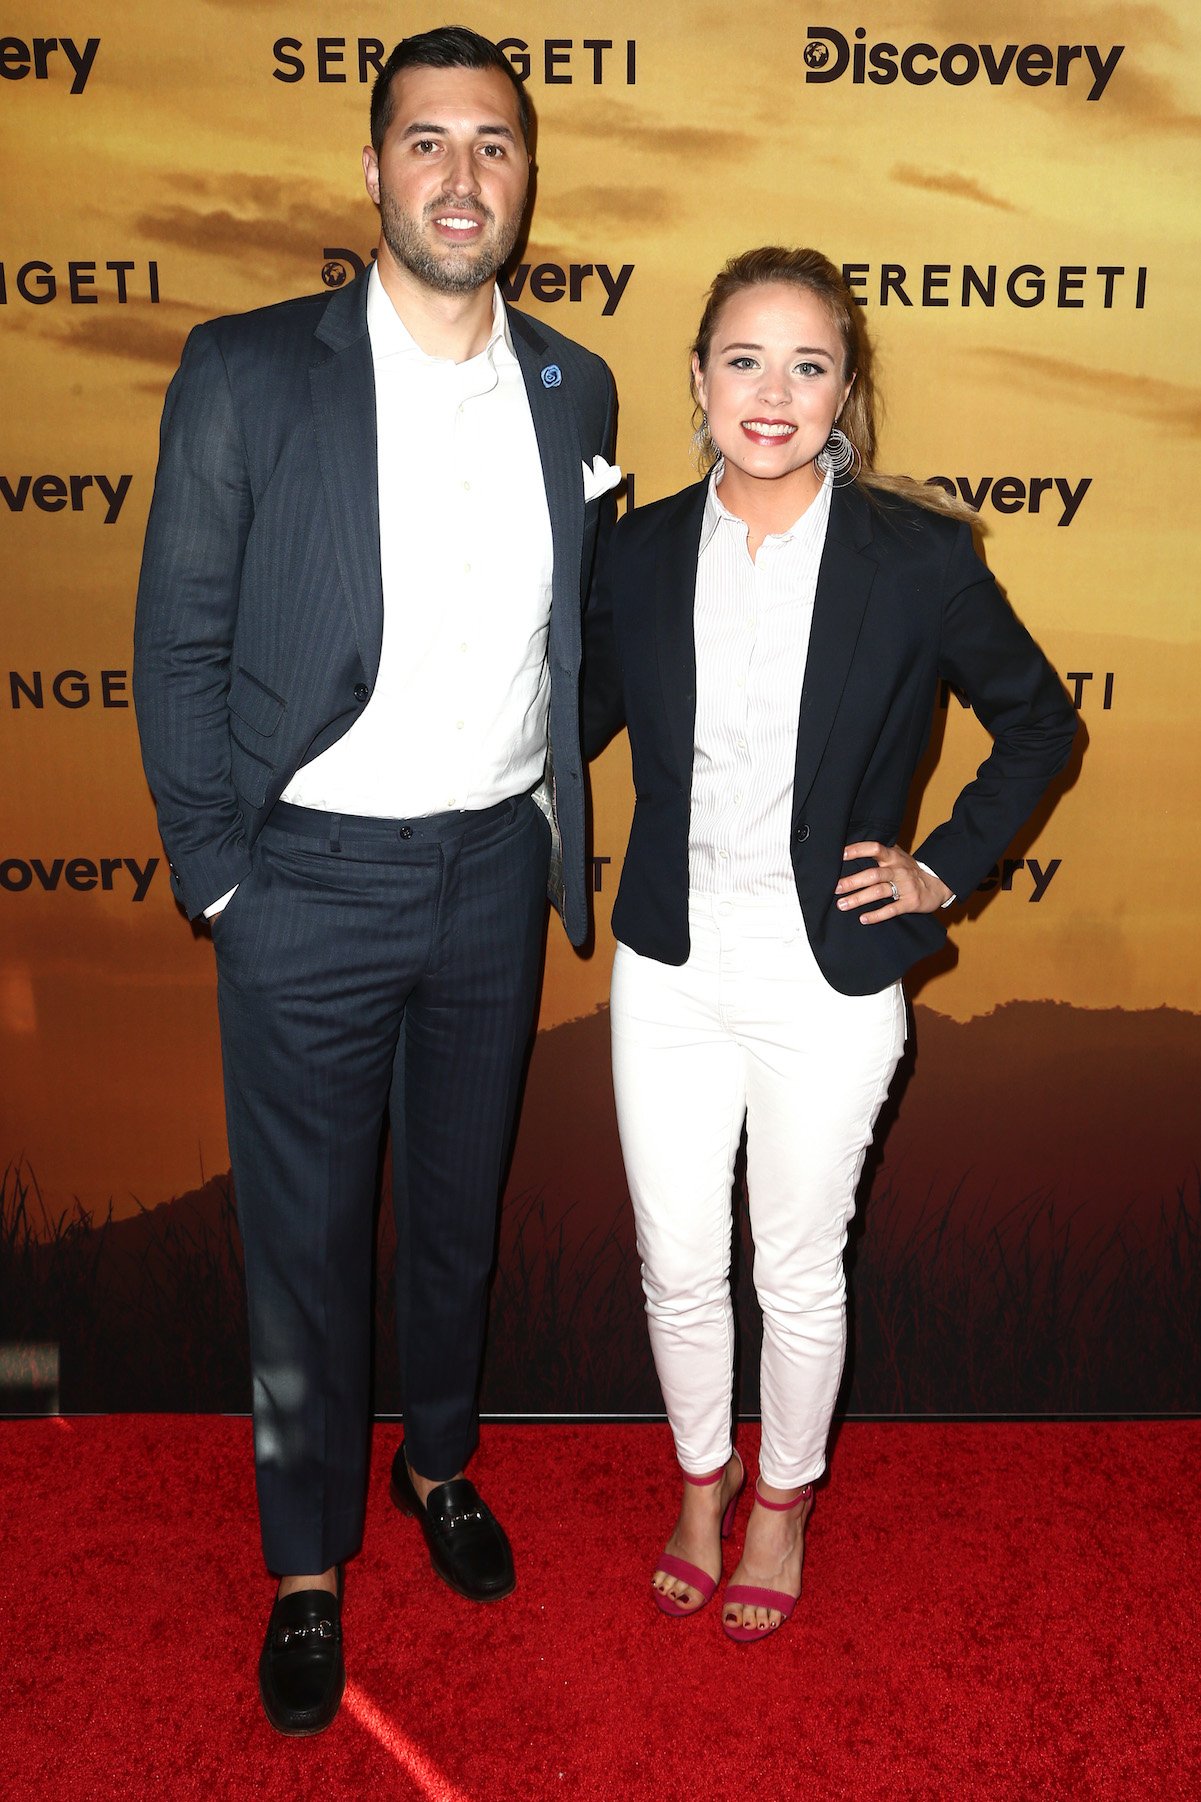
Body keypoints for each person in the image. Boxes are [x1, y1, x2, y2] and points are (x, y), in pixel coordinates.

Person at [134, 26, 617, 1732]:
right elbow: (178, 640)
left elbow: (579, 639)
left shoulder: (578, 386)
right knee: (301, 1252)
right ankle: (305, 1563)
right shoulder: (250, 369)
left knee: (454, 1233)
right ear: (371, 172)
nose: (461, 176)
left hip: (495, 875)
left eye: (493, 144)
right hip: (306, 887)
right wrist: (223, 883)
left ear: (525, 176)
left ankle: (441, 1463)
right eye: (427, 143)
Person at [584, 246, 1077, 1643]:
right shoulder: (635, 552)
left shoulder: (915, 559)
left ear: (844, 391)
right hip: (670, 966)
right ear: (695, 378)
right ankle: (699, 1479)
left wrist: (942, 870)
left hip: (830, 973)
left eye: (808, 365)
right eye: (743, 358)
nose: (772, 392)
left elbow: (1038, 720)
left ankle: (782, 1502)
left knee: (795, 1263)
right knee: (676, 1256)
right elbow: (575, 725)